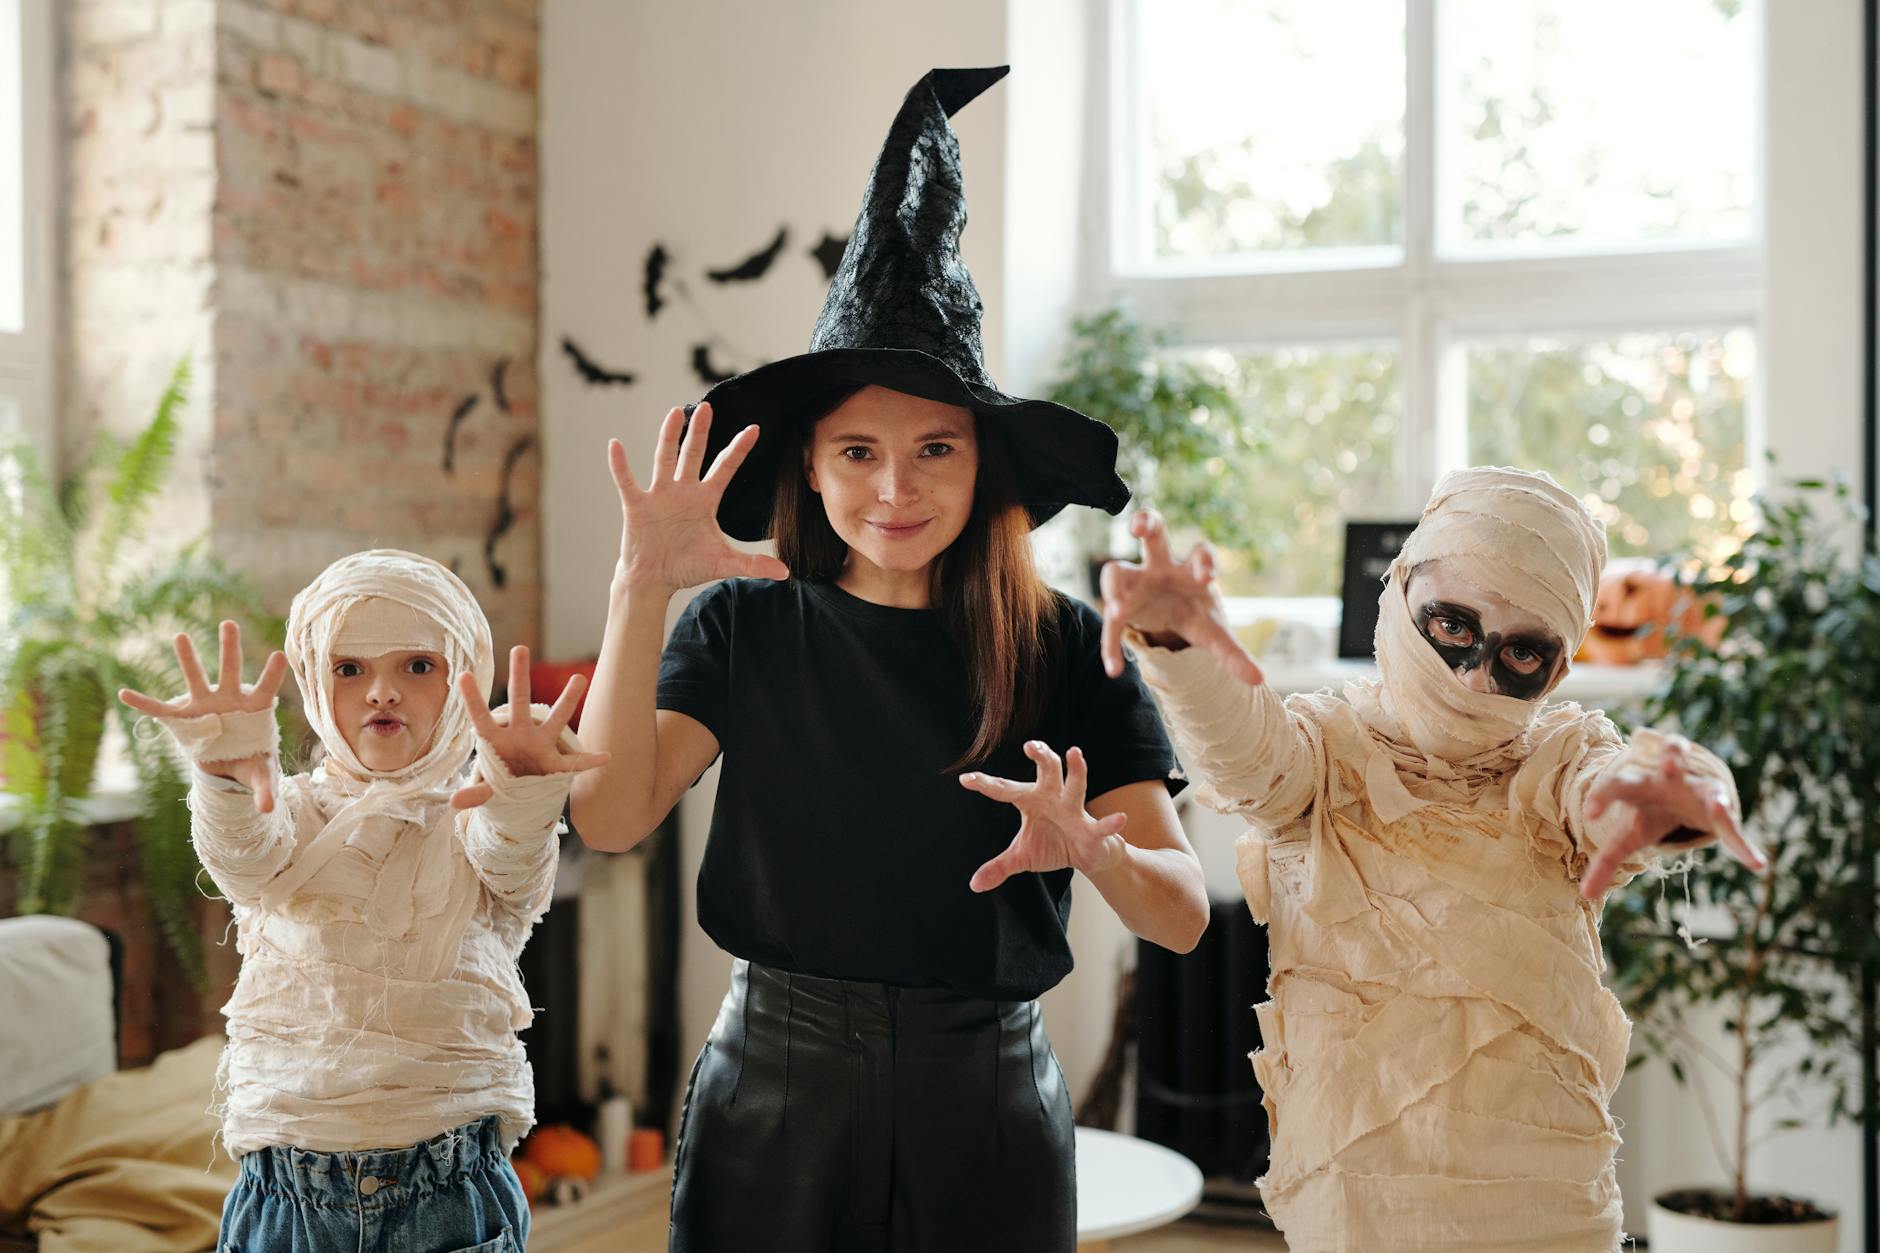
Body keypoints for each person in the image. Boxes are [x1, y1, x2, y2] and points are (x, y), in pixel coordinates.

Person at [569, 67, 1209, 1252]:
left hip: (987, 1107)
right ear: (810, 466)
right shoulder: (740, 627)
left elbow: (1178, 918)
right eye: (857, 450)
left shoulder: (1065, 643)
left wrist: (1094, 847)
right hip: (772, 1094)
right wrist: (637, 588)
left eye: (936, 449)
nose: (895, 487)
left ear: (984, 463)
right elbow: (607, 818)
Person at [1097, 468, 1769, 1252]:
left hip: (1550, 1211)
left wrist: (1679, 786)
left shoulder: (1558, 762)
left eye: (1522, 650)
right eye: (1453, 625)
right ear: (1401, 591)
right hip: (1356, 1210)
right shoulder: (1328, 754)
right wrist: (1180, 645)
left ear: (1558, 666)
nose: (1475, 675)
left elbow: (1610, 792)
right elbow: (1253, 762)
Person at [116, 549, 607, 1252]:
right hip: (286, 1197)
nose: (382, 692)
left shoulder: (476, 816)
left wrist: (523, 794)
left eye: (418, 665)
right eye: (349, 669)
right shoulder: (290, 810)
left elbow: (512, 863)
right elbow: (245, 858)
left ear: (463, 679)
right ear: (315, 682)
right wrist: (223, 781)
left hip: (451, 1190)